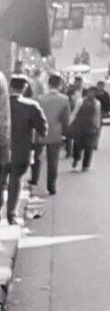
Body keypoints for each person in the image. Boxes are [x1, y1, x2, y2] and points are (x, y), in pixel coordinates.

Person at [4, 76, 46, 225]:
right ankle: (11, 215)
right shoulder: (30, 106)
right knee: (16, 182)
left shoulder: (3, 105)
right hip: (21, 151)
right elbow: (43, 128)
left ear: (10, 87)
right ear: (25, 88)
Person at [33, 75, 71, 197]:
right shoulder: (64, 99)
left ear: (48, 84)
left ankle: (35, 178)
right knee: (53, 160)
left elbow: (35, 117)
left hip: (41, 131)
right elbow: (66, 119)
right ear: (59, 85)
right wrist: (66, 134)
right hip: (56, 132)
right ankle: (51, 186)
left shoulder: (40, 99)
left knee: (36, 157)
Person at [67, 87, 103, 172]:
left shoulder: (97, 103)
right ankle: (76, 158)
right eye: (90, 92)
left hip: (91, 127)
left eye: (94, 93)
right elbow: (74, 113)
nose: (92, 94)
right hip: (80, 126)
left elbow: (97, 115)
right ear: (87, 93)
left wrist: (97, 126)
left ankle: (86, 165)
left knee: (89, 146)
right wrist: (69, 123)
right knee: (77, 145)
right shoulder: (81, 102)